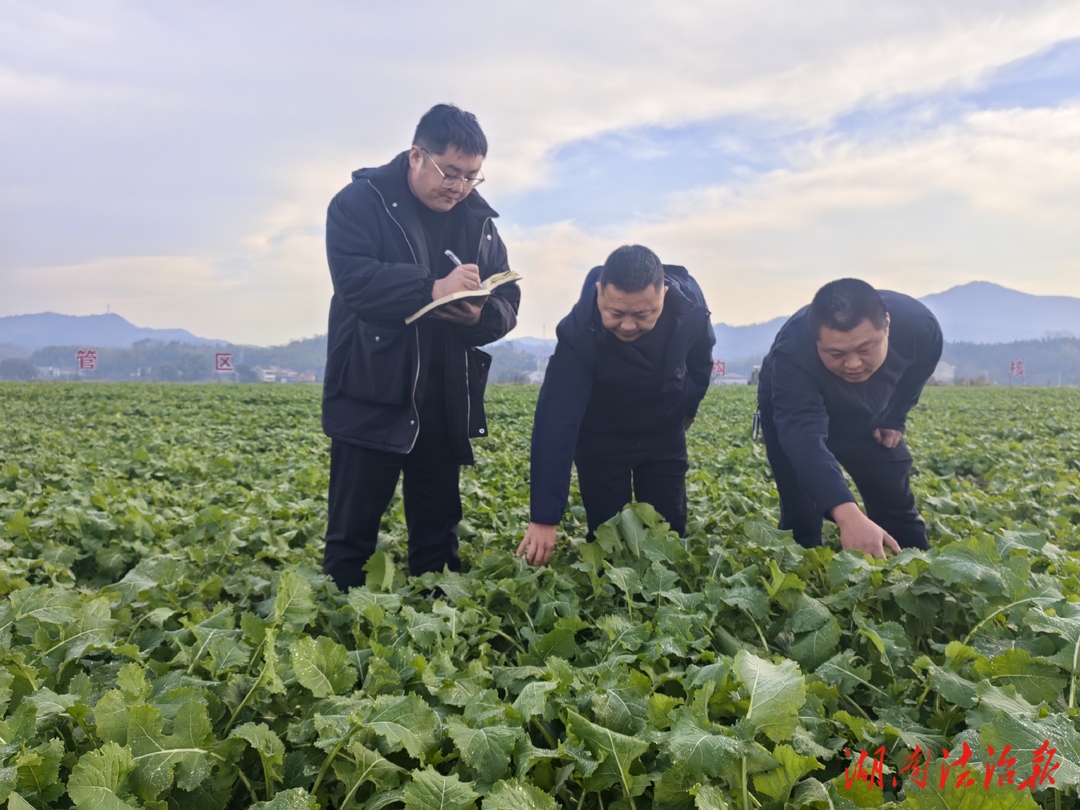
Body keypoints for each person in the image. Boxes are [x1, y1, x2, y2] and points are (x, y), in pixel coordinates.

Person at [321, 104, 520, 590]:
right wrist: (432, 289)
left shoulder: (478, 220)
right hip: (372, 388)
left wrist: (479, 314)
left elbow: (507, 297)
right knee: (352, 532)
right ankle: (338, 622)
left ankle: (436, 629)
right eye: (450, 172)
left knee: (438, 531)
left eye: (472, 177)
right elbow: (354, 283)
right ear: (416, 155)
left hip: (444, 394)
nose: (459, 187)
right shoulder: (358, 203)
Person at [517, 245, 715, 566]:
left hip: (663, 431)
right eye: (616, 313)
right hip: (601, 436)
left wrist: (686, 408)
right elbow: (556, 419)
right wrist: (544, 517)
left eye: (642, 314)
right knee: (608, 540)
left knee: (668, 536)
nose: (627, 325)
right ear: (600, 293)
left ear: (663, 294)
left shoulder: (689, 309)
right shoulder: (579, 331)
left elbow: (700, 362)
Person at [757, 278, 942, 558]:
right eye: (837, 354)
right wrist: (848, 517)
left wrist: (894, 417)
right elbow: (802, 436)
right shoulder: (792, 352)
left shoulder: (919, 325)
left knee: (894, 501)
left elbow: (918, 371)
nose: (853, 364)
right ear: (815, 338)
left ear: (887, 325)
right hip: (796, 416)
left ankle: (918, 578)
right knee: (802, 512)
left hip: (870, 415)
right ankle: (801, 586)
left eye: (865, 349)